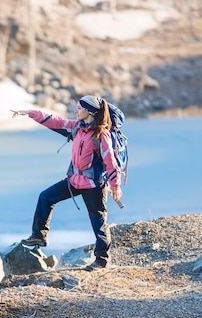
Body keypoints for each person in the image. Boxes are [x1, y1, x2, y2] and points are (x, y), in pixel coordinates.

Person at [11, 95, 122, 271]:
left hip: (93, 185)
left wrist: (115, 186)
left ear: (90, 111)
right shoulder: (77, 127)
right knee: (46, 197)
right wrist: (31, 113)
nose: (76, 110)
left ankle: (102, 260)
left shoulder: (101, 135)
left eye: (79, 108)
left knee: (98, 220)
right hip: (74, 180)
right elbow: (54, 121)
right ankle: (39, 236)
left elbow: (111, 162)